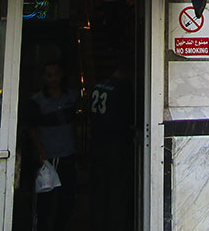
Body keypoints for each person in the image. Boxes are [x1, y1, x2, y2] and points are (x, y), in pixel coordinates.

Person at [27, 61, 78, 231]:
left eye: (56, 74)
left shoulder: (70, 97)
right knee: (45, 200)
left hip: (68, 153)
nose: (53, 78)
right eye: (49, 75)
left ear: (61, 74)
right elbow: (31, 129)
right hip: (49, 156)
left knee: (67, 199)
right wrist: (40, 149)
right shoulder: (38, 101)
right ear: (44, 77)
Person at [89, 62, 135, 231]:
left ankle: (98, 223)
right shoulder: (122, 89)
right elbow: (129, 118)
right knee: (116, 190)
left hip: (97, 142)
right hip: (116, 145)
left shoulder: (98, 86)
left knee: (100, 188)